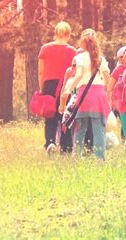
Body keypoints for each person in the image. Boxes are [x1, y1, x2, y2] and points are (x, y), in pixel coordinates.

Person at [64, 31, 111, 161]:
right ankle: (100, 159)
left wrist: (69, 88)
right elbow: (108, 78)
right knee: (99, 129)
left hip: (84, 95)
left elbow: (78, 75)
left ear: (83, 44)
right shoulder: (101, 59)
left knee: (80, 128)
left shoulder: (80, 58)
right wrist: (108, 92)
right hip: (99, 96)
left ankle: (76, 157)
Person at [38, 21, 77, 155]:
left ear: (55, 33)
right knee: (65, 117)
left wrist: (42, 88)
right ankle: (66, 148)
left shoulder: (45, 48)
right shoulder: (72, 51)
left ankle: (50, 143)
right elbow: (74, 71)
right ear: (68, 34)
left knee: (50, 117)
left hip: (48, 85)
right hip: (66, 85)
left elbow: (41, 72)